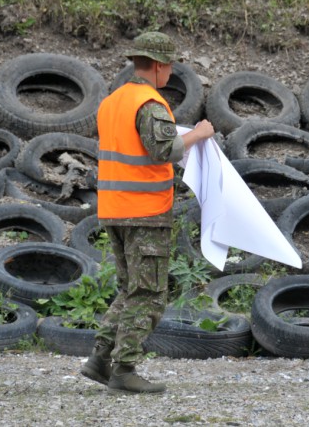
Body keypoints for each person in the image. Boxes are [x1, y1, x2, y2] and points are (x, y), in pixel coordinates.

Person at [80, 31, 215, 394]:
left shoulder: (112, 102)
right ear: (157, 65)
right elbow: (164, 150)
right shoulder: (150, 103)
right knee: (149, 294)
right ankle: (124, 370)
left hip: (114, 209)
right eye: (169, 65)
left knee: (130, 289)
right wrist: (199, 134)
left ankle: (100, 359)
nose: (170, 71)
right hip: (145, 212)